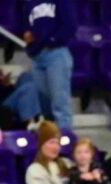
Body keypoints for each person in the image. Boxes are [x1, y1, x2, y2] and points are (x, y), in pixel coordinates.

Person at [22, 0, 74, 130]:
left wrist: (51, 40)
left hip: (56, 54)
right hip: (37, 56)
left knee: (59, 104)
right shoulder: (29, 3)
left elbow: (71, 25)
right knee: (44, 104)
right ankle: (50, 139)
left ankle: (64, 142)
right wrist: (30, 44)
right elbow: (25, 28)